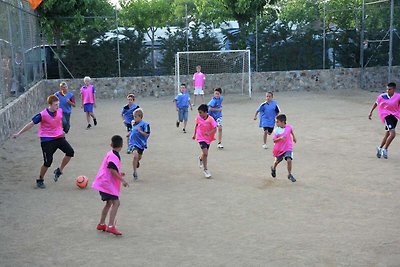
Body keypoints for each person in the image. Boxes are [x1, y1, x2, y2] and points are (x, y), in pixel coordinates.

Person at [12, 95, 75, 189]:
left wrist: (62, 130)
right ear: (49, 105)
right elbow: (31, 124)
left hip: (59, 137)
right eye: (55, 105)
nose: (57, 106)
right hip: (47, 140)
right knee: (48, 162)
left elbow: (60, 121)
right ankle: (40, 179)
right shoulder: (42, 115)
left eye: (58, 104)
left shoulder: (60, 111)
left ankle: (59, 170)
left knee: (70, 152)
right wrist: (18, 133)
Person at [92, 135, 129, 236]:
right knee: (116, 203)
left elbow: (110, 169)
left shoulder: (110, 153)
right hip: (107, 184)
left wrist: (119, 173)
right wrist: (122, 180)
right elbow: (112, 170)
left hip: (103, 182)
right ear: (121, 145)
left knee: (108, 203)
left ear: (111, 144)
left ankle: (101, 224)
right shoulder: (114, 156)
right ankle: (111, 226)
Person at [368, 82, 400, 159]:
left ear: (394, 89)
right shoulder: (382, 96)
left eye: (389, 89)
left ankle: (379, 148)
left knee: (387, 135)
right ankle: (385, 149)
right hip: (386, 115)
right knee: (392, 134)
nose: (387, 90)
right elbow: (376, 103)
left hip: (394, 117)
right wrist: (371, 112)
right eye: (387, 89)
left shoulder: (398, 96)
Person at [192, 104, 217, 178]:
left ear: (206, 112)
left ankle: (200, 158)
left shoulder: (211, 119)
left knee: (204, 154)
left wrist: (209, 133)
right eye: (199, 112)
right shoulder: (198, 118)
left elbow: (215, 128)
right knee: (206, 153)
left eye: (201, 112)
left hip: (208, 138)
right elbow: (196, 126)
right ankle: (205, 170)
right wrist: (194, 134)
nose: (199, 114)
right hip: (200, 137)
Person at [270, 114, 297, 183]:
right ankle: (273, 168)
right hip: (279, 149)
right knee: (277, 161)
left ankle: (289, 174)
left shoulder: (289, 127)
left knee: (289, 160)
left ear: (282, 122)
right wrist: (280, 138)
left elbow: (291, 131)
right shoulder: (276, 130)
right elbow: (274, 140)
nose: (276, 123)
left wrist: (293, 137)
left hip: (288, 147)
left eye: (277, 122)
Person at [128, 108, 150, 180]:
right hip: (133, 143)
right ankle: (135, 172)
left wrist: (140, 131)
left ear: (140, 116)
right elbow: (132, 130)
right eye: (133, 116)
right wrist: (129, 134)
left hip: (141, 144)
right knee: (135, 155)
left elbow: (147, 134)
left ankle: (137, 162)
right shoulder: (133, 123)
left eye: (135, 117)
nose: (134, 118)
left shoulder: (145, 124)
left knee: (139, 157)